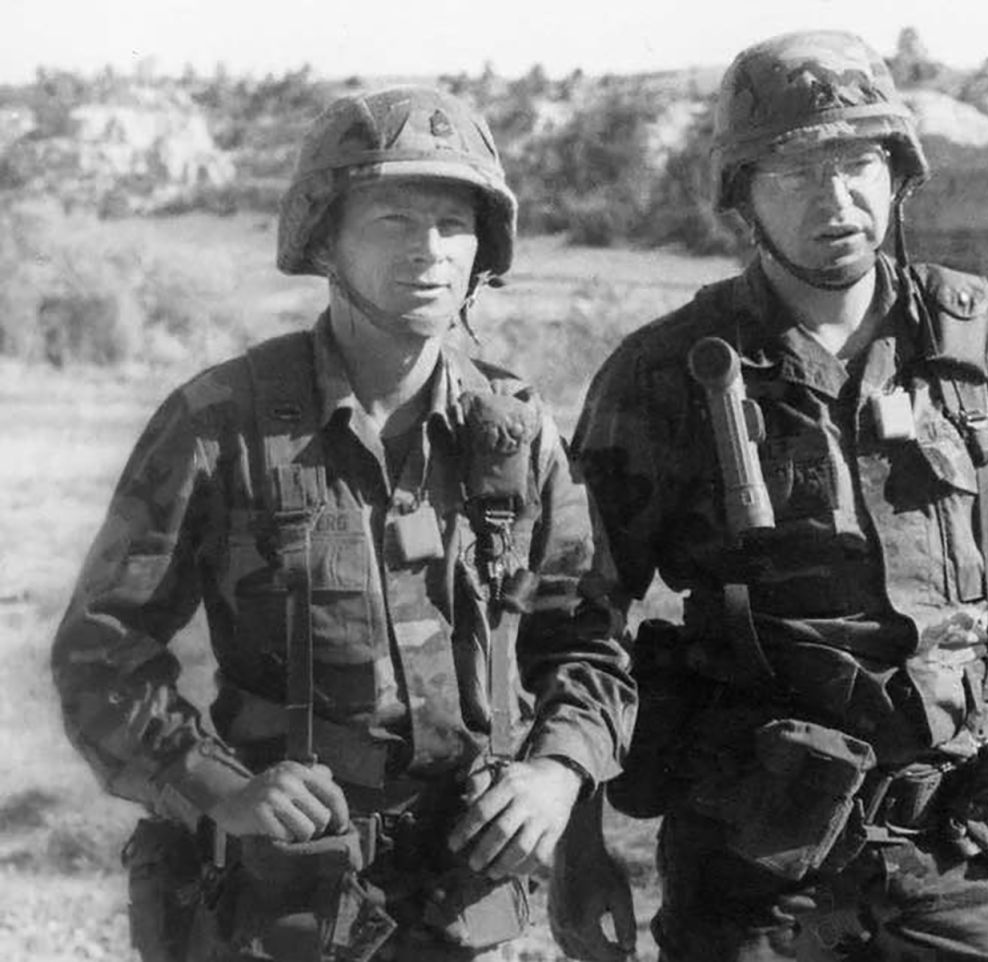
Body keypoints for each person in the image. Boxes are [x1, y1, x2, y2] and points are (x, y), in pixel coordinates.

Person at [552, 30, 988, 962]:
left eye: (858, 161)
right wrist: (578, 852)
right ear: (741, 198)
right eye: (794, 172)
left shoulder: (969, 339)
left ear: (899, 172)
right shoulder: (666, 373)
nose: (836, 198)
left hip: (961, 834)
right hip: (756, 859)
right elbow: (582, 613)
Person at [51, 85, 634, 962]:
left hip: (455, 898)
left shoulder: (511, 435)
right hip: (277, 900)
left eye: (454, 223)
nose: (430, 252)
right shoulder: (224, 422)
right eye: (394, 219)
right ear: (325, 236)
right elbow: (101, 647)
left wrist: (555, 773)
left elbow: (584, 643)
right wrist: (216, 785)